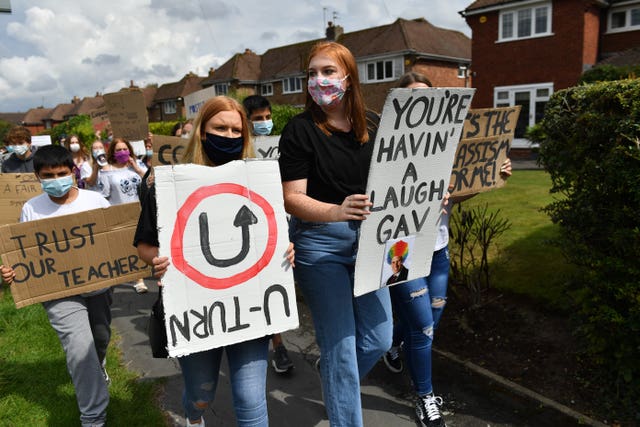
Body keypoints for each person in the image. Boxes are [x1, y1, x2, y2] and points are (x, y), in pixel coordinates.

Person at [135, 96, 294, 427]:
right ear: (202, 133)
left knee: (251, 400)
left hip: (251, 307)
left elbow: (271, 234)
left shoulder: (260, 181)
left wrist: (285, 249)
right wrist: (158, 261)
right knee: (200, 394)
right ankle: (194, 417)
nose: (230, 135)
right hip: (197, 309)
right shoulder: (167, 185)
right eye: (221, 128)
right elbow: (145, 246)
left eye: (237, 129)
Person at [381, 70, 513, 427]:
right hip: (402, 250)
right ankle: (425, 397)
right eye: (412, 98)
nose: (421, 104)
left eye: (427, 96)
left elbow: (458, 193)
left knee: (433, 317)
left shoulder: (448, 145)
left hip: (438, 248)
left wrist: (492, 174)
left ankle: (395, 346)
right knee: (423, 326)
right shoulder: (387, 146)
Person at [278, 41, 393, 426]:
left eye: (328, 71)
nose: (318, 80)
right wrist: (335, 211)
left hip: (371, 242)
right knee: (342, 348)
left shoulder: (374, 124)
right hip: (320, 245)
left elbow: (398, 178)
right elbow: (292, 199)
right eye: (312, 73)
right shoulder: (298, 130)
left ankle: (335, 380)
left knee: (379, 338)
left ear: (348, 77)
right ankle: (344, 407)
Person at [0, 144, 112, 427]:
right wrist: (13, 271)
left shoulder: (95, 201)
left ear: (73, 172)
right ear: (37, 176)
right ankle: (93, 418)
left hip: (98, 286)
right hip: (59, 293)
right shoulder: (31, 208)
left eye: (62, 173)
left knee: (99, 339)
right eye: (48, 175)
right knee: (79, 348)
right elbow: (25, 254)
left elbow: (115, 240)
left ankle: (99, 367)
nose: (56, 179)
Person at [242, 94, 294, 374]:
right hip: (252, 229)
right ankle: (278, 345)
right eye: (257, 119)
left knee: (277, 285)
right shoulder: (240, 152)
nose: (264, 123)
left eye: (267, 117)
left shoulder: (283, 148)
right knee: (265, 286)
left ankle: (276, 340)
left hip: (283, 226)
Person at [98, 137, 148, 293]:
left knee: (140, 245)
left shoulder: (137, 165)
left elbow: (150, 181)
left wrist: (137, 168)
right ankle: (134, 277)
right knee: (125, 247)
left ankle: (139, 278)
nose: (122, 152)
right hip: (119, 213)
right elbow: (104, 195)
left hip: (139, 211)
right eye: (118, 149)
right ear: (113, 152)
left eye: (125, 149)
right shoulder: (106, 170)